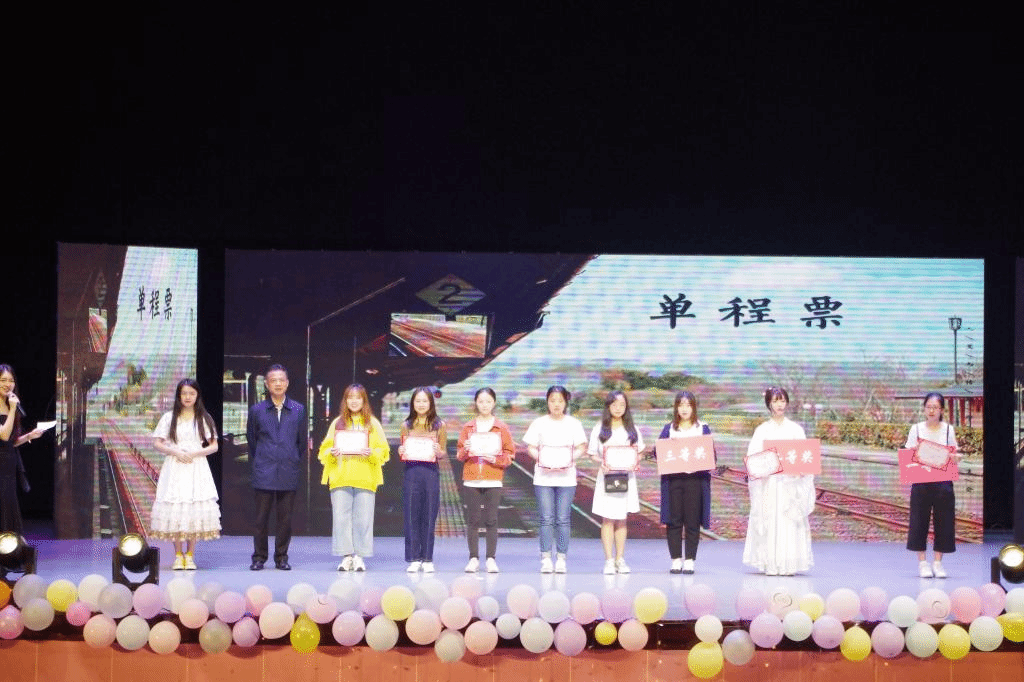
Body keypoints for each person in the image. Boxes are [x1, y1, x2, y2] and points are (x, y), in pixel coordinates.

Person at [741, 387, 815, 575]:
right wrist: (764, 469)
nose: (780, 405)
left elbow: (805, 458)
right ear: (769, 404)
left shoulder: (796, 430)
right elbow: (753, 460)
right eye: (775, 401)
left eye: (782, 401)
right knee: (771, 521)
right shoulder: (762, 430)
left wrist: (801, 472)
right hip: (769, 485)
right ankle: (771, 564)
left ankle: (789, 564)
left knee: (789, 522)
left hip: (790, 485)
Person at [316, 384, 390, 571]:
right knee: (341, 519)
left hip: (365, 478)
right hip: (340, 477)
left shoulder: (372, 424)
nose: (354, 401)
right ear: (345, 400)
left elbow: (384, 450)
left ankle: (359, 557)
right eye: (350, 397)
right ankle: (346, 556)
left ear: (364, 400)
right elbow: (324, 449)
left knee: (363, 519)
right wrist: (331, 452)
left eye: (358, 397)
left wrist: (372, 452)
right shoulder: (337, 423)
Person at [149, 378, 221, 569]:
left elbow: (214, 446)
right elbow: (157, 443)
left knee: (193, 507)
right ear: (179, 396)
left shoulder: (204, 417)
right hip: (175, 467)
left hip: (196, 467)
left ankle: (190, 555)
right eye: (184, 393)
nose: (188, 397)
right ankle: (177, 555)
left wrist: (195, 453)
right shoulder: (169, 417)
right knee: (176, 506)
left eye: (192, 393)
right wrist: (176, 452)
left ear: (197, 396)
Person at [247, 364, 306, 571]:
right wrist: (264, 459)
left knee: (285, 519)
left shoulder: (298, 409)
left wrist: (291, 458)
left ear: (287, 383)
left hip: (288, 470)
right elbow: (252, 441)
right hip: (264, 470)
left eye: (281, 380)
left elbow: (302, 442)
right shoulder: (257, 410)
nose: (278, 384)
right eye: (273, 380)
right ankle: (259, 557)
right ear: (266, 384)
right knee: (260, 519)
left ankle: (281, 557)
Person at [523, 385, 587, 573]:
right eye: (552, 400)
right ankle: (545, 558)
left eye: (560, 400)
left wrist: (568, 460)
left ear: (566, 402)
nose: (556, 404)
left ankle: (561, 558)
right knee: (546, 519)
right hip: (544, 478)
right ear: (547, 402)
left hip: (566, 478)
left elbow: (582, 447)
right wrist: (543, 460)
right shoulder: (539, 423)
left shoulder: (574, 424)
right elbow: (530, 447)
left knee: (563, 519)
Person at [456, 388, 514, 573]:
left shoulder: (501, 428)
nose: (484, 405)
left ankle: (490, 559)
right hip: (472, 479)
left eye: (488, 401)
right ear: (476, 403)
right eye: (481, 401)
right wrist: (465, 449)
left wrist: (495, 459)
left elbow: (509, 455)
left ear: (494, 403)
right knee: (473, 520)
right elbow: (459, 455)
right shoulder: (468, 427)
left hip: (493, 478)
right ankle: (473, 558)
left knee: (491, 520)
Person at [657, 391, 714, 574]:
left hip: (695, 481)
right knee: (674, 520)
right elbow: (659, 453)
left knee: (692, 520)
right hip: (674, 480)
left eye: (688, 405)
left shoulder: (702, 428)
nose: (684, 409)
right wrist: (669, 445)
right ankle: (675, 559)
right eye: (681, 405)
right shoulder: (669, 429)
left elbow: (711, 455)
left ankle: (689, 559)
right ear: (676, 408)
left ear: (694, 407)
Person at [587, 391, 644, 574]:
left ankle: (620, 559)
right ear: (608, 406)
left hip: (626, 478)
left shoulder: (632, 428)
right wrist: (601, 463)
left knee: (621, 518)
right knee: (608, 519)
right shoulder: (600, 428)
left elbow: (640, 452)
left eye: (622, 405)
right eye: (614, 405)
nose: (618, 408)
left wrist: (635, 461)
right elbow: (592, 454)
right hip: (607, 477)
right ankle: (609, 561)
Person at [905, 392, 960, 578]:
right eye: (928, 407)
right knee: (918, 521)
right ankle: (922, 563)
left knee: (944, 522)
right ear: (924, 409)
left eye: (935, 407)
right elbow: (908, 453)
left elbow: (954, 453)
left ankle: (938, 563)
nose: (931, 411)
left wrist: (956, 458)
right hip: (921, 480)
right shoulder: (916, 429)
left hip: (943, 482)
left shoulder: (948, 430)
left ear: (942, 410)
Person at [399, 387, 447, 572]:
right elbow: (403, 450)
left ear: (431, 403)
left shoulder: (439, 425)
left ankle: (427, 559)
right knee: (411, 516)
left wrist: (439, 452)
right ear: (413, 403)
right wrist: (401, 451)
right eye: (417, 401)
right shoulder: (406, 425)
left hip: (430, 473)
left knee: (429, 515)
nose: (421, 404)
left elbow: (442, 452)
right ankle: (413, 559)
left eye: (424, 401)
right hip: (411, 472)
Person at [0, 365, 44, 534]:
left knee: (9, 503)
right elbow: (4, 435)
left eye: (11, 381)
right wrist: (12, 409)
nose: (8, 384)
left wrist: (29, 436)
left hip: (8, 465)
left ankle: (9, 544)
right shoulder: (11, 407)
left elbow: (9, 442)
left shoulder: (10, 405)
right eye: (3, 380)